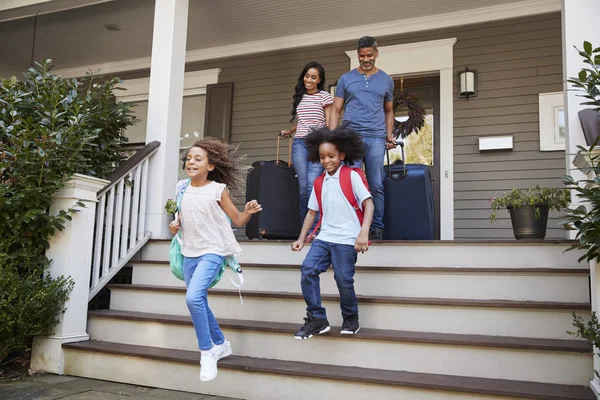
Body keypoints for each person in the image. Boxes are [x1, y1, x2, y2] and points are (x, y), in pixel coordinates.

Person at [169, 137, 262, 382]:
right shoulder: (181, 187)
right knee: (199, 299)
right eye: (189, 158)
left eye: (198, 159)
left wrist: (249, 213)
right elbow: (179, 220)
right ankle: (221, 343)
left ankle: (207, 351)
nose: (191, 162)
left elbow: (238, 221)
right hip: (189, 251)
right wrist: (174, 226)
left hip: (213, 251)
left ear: (211, 166)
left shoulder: (217, 190)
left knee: (192, 297)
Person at [291, 126, 374, 339]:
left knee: (343, 279)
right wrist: (301, 239)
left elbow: (369, 204)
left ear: (342, 155)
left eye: (331, 156)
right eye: (322, 157)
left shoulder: (352, 176)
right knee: (308, 270)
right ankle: (317, 318)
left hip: (347, 238)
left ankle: (350, 317)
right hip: (325, 237)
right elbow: (312, 213)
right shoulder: (319, 182)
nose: (326, 160)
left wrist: (363, 233)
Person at [328, 36, 396, 240]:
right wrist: (332, 137)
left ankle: (376, 226)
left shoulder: (386, 80)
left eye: (370, 55)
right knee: (351, 182)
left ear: (376, 54)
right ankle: (353, 223)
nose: (366, 59)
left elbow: (389, 110)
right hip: (351, 137)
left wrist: (389, 134)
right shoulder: (346, 79)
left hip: (376, 137)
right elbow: (336, 109)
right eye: (362, 56)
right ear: (358, 55)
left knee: (376, 183)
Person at [281, 61, 333, 223]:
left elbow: (330, 121)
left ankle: (313, 228)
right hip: (299, 144)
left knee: (312, 186)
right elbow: (305, 121)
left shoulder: (324, 96)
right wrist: (290, 131)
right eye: (307, 76)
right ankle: (307, 228)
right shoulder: (300, 96)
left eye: (313, 77)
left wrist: (329, 142)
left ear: (319, 80)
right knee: (303, 188)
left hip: (318, 145)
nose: (309, 80)